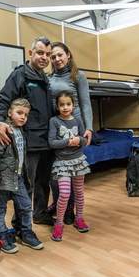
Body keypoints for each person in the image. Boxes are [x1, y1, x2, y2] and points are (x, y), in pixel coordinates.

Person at [0, 36, 54, 226]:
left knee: (43, 181)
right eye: (41, 52)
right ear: (31, 53)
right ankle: (20, 224)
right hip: (29, 141)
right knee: (26, 185)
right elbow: (1, 101)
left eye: (48, 55)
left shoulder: (45, 78)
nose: (44, 57)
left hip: (46, 140)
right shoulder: (20, 75)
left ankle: (40, 213)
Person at [0, 98, 44, 253]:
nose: (23, 117)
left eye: (26, 114)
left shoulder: (21, 131)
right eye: (19, 113)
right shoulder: (3, 131)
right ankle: (2, 234)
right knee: (0, 208)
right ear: (9, 112)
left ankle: (26, 232)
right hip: (2, 179)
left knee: (25, 205)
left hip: (18, 177)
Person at [47, 41, 93, 224]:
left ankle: (69, 212)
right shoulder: (49, 78)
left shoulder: (78, 76)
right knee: (56, 174)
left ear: (68, 55)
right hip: (56, 128)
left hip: (74, 129)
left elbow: (85, 103)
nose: (56, 59)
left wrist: (88, 128)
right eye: (53, 56)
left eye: (60, 55)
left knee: (73, 171)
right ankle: (60, 206)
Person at [48, 91, 91, 241]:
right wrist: (68, 142)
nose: (65, 107)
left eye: (68, 104)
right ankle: (59, 223)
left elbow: (85, 141)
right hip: (62, 164)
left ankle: (79, 218)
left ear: (73, 105)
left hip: (78, 161)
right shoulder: (54, 121)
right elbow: (52, 142)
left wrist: (79, 140)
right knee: (65, 193)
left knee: (79, 192)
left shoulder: (78, 120)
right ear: (57, 106)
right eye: (62, 105)